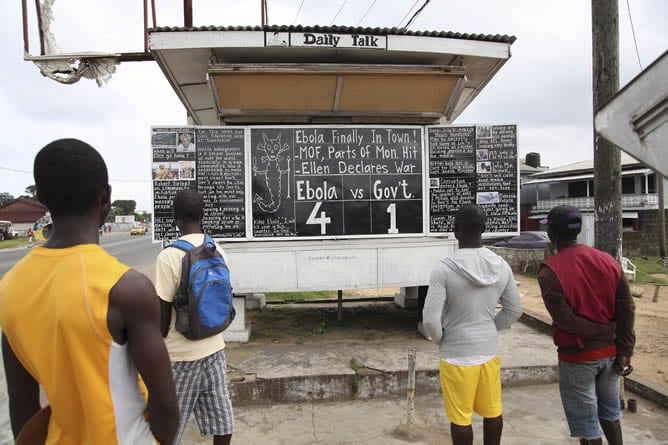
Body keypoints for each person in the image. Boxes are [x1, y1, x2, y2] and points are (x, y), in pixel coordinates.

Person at [0, 138, 179, 444]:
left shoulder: (9, 287)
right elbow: (165, 403)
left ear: (42, 199)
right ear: (105, 197)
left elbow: (21, 401)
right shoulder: (126, 288)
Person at [422, 204, 522, 445]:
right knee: (492, 412)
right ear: (484, 229)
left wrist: (442, 340)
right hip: (488, 351)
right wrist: (489, 329)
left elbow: (430, 319)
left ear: (455, 230)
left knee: (461, 419)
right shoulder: (501, 266)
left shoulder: (444, 268)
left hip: (455, 353)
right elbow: (514, 310)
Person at [538, 205, 636, 445]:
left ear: (552, 233)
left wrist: (604, 332)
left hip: (577, 357)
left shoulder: (550, 271)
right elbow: (627, 307)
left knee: (587, 424)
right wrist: (625, 350)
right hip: (611, 354)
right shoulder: (607, 261)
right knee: (611, 415)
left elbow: (565, 320)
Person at [155, 189, 235, 444]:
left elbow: (162, 318)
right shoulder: (218, 250)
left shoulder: (169, 256)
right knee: (222, 420)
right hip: (215, 349)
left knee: (170, 426)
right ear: (202, 216)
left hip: (180, 356)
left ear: (175, 217)